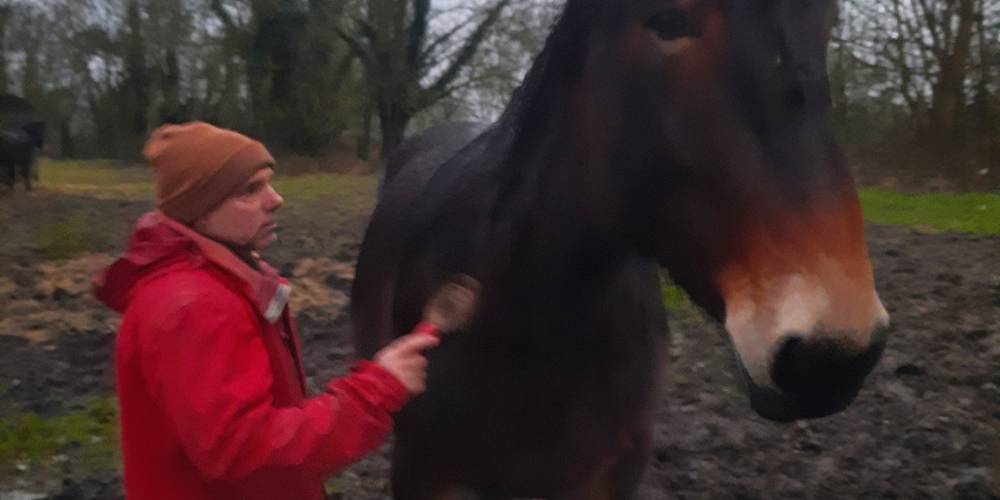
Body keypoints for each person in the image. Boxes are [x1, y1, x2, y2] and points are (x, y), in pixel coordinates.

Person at [93, 122, 479, 500]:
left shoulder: (226, 280)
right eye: (250, 190)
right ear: (200, 209)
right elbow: (248, 454)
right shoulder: (195, 307)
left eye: (268, 183)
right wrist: (376, 391)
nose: (276, 199)